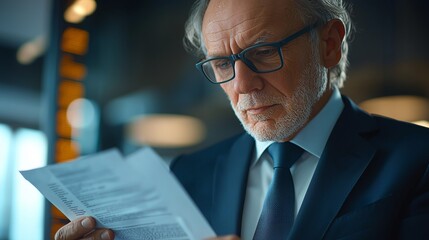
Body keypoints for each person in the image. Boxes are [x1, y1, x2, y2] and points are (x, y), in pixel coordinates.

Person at [55, 0, 429, 239]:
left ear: (329, 44)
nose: (242, 84)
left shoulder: (417, 159)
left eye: (264, 52)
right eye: (221, 64)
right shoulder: (189, 174)